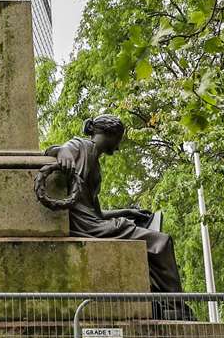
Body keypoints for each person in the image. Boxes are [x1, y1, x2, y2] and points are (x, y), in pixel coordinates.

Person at [46, 115, 195, 320]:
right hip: (87, 227)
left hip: (93, 223)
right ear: (110, 134)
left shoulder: (94, 160)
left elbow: (96, 212)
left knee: (147, 235)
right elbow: (58, 151)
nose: (118, 147)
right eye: (119, 139)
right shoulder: (80, 146)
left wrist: (125, 212)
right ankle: (174, 306)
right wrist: (60, 150)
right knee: (162, 242)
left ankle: (161, 301)